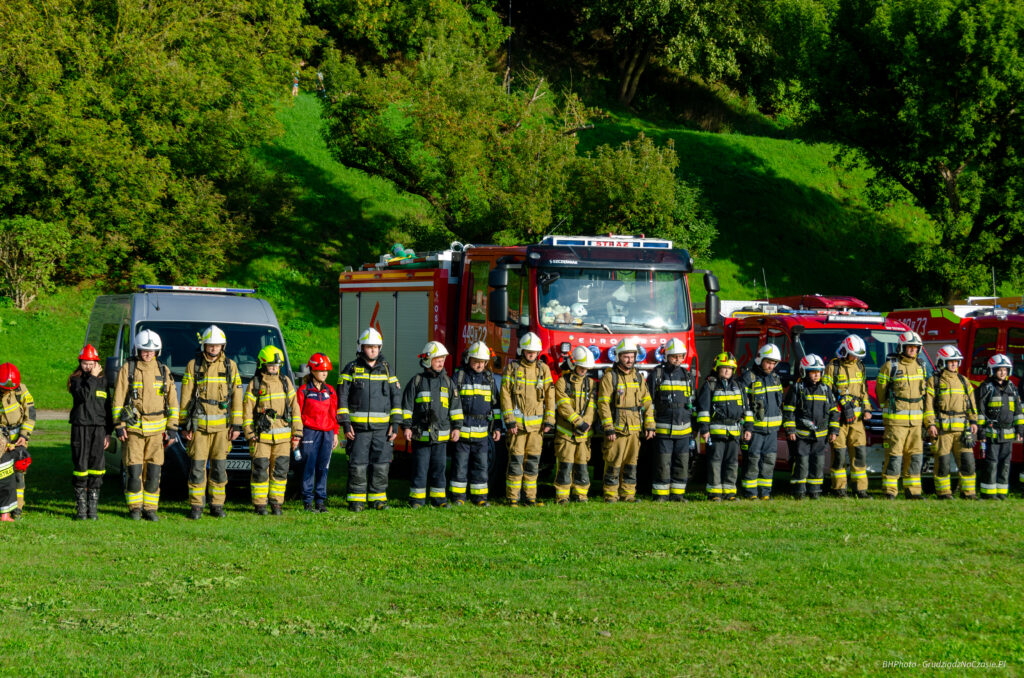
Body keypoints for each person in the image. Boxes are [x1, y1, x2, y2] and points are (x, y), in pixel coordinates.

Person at [112, 330, 180, 521]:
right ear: (138, 350)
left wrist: (172, 427)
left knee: (153, 471)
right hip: (134, 430)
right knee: (134, 471)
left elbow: (173, 401)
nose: (147, 354)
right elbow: (118, 399)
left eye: (151, 350)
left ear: (157, 351)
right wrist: (119, 425)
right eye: (144, 350)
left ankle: (150, 508)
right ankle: (134, 508)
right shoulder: (129, 368)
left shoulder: (163, 370)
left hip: (157, 432)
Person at [179, 325, 243, 519]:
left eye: (217, 345)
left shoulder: (230, 366)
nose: (213, 348)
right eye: (210, 345)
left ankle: (217, 506)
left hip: (222, 429)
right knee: (197, 468)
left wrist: (237, 424)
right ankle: (196, 507)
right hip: (198, 428)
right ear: (204, 345)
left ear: (222, 346)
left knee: (219, 469)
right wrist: (184, 424)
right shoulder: (193, 365)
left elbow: (237, 396)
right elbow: (186, 397)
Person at [337, 328, 402, 512]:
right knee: (357, 464)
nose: (373, 350)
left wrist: (395, 424)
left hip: (382, 430)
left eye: (376, 347)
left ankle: (378, 499)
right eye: (369, 347)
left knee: (381, 465)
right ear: (361, 347)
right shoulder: (351, 368)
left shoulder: (387, 369)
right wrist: (346, 423)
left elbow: (395, 397)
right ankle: (356, 501)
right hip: (358, 429)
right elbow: (342, 397)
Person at [401, 341, 463, 508]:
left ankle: (439, 500)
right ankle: (416, 500)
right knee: (420, 470)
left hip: (441, 438)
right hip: (420, 436)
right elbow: (407, 407)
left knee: (439, 470)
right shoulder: (417, 381)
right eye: (437, 359)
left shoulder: (449, 383)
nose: (441, 362)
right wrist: (406, 427)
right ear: (427, 360)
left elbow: (455, 408)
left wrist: (457, 427)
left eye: (443, 359)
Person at [243, 346, 302, 515]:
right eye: (271, 365)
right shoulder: (255, 384)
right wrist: (249, 433)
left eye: (277, 365)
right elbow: (247, 410)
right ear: (262, 364)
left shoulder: (285, 382)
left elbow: (295, 408)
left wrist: (297, 433)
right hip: (261, 437)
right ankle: (260, 505)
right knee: (260, 470)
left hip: (283, 437)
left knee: (280, 471)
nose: (275, 368)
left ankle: (277, 504)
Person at [597, 337, 655, 503]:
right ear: (618, 357)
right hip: (617, 429)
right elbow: (603, 404)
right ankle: (610, 495)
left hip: (634, 429)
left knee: (631, 464)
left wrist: (650, 425)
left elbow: (647, 402)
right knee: (613, 463)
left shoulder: (638, 377)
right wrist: (608, 427)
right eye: (625, 357)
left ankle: (628, 495)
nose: (629, 360)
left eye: (632, 356)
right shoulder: (610, 377)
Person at [500, 332, 554, 506]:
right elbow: (505, 395)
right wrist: (509, 420)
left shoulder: (543, 369)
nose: (531, 354)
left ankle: (530, 497)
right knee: (515, 462)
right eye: (528, 351)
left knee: (532, 462)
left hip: (537, 429)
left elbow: (550, 396)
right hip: (517, 427)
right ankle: (512, 498)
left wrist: (549, 420)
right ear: (522, 351)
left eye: (534, 351)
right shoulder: (512, 368)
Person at [876, 330, 927, 499]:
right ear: (901, 348)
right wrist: (887, 411)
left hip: (917, 423)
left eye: (915, 347)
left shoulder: (921, 366)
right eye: (909, 347)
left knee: (915, 456)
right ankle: (890, 491)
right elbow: (881, 392)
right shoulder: (891, 366)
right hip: (896, 422)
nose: (912, 350)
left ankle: (913, 491)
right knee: (894, 456)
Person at [924, 345, 978, 500]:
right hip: (943, 431)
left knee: (968, 462)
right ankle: (943, 493)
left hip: (962, 431)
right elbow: (928, 404)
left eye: (956, 361)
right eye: (950, 361)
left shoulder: (963, 381)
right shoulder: (934, 381)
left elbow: (972, 403)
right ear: (942, 362)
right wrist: (930, 424)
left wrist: (973, 421)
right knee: (943, 463)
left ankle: (968, 493)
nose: (954, 364)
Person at [695, 352, 751, 501]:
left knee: (732, 463)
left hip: (734, 433)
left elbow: (747, 409)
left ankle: (730, 492)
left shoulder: (739, 386)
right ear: (717, 368)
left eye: (730, 368)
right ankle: (714, 493)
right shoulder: (710, 385)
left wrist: (749, 428)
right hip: (716, 432)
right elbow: (703, 409)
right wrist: (705, 430)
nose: (727, 371)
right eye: (724, 368)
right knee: (715, 462)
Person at [451, 342, 501, 506]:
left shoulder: (490, 380)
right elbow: (452, 404)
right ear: (468, 359)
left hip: (482, 434)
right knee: (460, 466)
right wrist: (454, 428)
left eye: (482, 362)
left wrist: (497, 427)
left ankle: (479, 498)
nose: (479, 365)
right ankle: (458, 497)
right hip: (462, 432)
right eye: (475, 361)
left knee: (481, 467)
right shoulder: (459, 377)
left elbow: (496, 407)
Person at [783, 354, 839, 499]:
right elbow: (789, 411)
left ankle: (815, 491)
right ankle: (799, 491)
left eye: (819, 372)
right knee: (802, 462)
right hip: (801, 435)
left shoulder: (826, 390)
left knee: (818, 463)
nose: (816, 375)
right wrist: (790, 430)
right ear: (804, 372)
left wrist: (834, 431)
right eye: (813, 372)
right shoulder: (798, 388)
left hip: (820, 436)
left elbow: (833, 412)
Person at [67, 345, 113, 520]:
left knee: (97, 468)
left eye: (91, 363)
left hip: (99, 429)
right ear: (80, 363)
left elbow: (107, 408)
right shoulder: (76, 380)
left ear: (97, 363)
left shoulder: (103, 381)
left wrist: (108, 432)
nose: (88, 366)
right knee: (81, 467)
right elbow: (82, 397)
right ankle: (81, 510)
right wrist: (92, 377)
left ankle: (92, 510)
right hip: (80, 428)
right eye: (85, 363)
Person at [824, 335, 873, 499]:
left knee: (859, 455)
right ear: (844, 351)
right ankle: (839, 489)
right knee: (839, 455)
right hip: (840, 420)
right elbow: (827, 393)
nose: (856, 357)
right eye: (854, 354)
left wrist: (867, 409)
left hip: (857, 421)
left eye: (858, 355)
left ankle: (860, 490)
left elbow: (863, 391)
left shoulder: (860, 366)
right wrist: (840, 408)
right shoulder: (833, 367)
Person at [647, 338, 696, 501]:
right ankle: (660, 495)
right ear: (666, 356)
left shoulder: (687, 375)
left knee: (681, 463)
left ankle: (678, 495)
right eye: (674, 356)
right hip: (663, 429)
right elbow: (649, 401)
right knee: (663, 463)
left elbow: (691, 402)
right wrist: (650, 425)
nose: (677, 359)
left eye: (680, 356)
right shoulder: (657, 374)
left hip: (683, 429)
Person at [975, 354, 1024, 500]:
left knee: (1005, 464)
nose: (1003, 373)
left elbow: (1018, 411)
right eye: (999, 370)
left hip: (1008, 433)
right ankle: (988, 493)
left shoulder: (1012, 388)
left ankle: (1002, 492)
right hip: (992, 433)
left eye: (1005, 370)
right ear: (992, 370)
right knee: (992, 463)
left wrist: (1020, 429)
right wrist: (982, 431)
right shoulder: (986, 387)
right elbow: (981, 411)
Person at [740, 344, 784, 500]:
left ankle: (765, 492)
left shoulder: (775, 379)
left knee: (769, 461)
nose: (771, 366)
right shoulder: (749, 378)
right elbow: (744, 406)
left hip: (772, 431)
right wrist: (748, 427)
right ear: (760, 359)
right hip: (755, 430)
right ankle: (750, 493)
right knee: (753, 461)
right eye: (768, 362)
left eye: (774, 363)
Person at [553, 346, 597, 504]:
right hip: (566, 434)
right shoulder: (562, 383)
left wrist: (587, 422)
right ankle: (562, 497)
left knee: (582, 466)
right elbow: (563, 406)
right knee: (565, 465)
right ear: (573, 365)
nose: (584, 371)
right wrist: (579, 422)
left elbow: (592, 406)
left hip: (583, 435)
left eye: (586, 368)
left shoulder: (591, 384)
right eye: (581, 367)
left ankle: (581, 495)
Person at [297, 353, 339, 512]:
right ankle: (307, 501)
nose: (324, 373)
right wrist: (297, 435)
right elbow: (297, 415)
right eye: (321, 370)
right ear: (312, 370)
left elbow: (333, 414)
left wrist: (335, 433)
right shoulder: (303, 391)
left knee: (323, 467)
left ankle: (320, 501)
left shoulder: (331, 391)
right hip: (309, 433)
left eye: (327, 370)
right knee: (309, 466)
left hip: (327, 433)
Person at [0, 363, 34, 521]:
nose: (9, 390)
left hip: (19, 438)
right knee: (3, 473)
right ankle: (4, 507)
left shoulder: (22, 390)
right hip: (1, 438)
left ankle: (18, 507)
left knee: (19, 472)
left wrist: (24, 435)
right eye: (6, 388)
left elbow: (30, 414)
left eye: (11, 388)